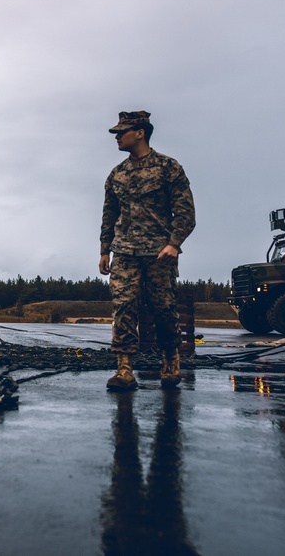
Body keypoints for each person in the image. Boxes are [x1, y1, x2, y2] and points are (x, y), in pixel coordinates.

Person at [99, 111, 196, 391]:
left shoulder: (169, 168)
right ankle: (124, 368)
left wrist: (174, 244)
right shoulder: (116, 175)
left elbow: (186, 212)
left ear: (140, 132)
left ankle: (170, 359)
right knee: (123, 308)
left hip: (159, 253)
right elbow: (109, 215)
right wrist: (105, 250)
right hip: (125, 252)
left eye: (122, 131)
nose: (117, 137)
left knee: (163, 309)